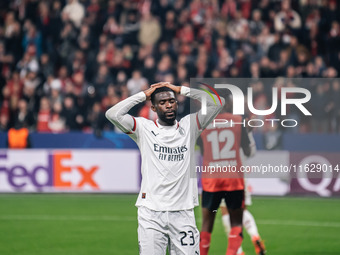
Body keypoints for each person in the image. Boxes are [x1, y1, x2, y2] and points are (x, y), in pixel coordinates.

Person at [105, 82, 224, 254]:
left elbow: (217, 103)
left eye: (172, 101)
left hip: (183, 213)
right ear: (153, 107)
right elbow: (112, 114)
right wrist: (143, 95)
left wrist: (181, 89)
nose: (168, 105)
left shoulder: (190, 125)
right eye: (162, 102)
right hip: (151, 215)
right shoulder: (144, 129)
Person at [198, 93, 256, 255]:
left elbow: (202, 149)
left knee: (207, 224)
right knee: (236, 222)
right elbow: (247, 150)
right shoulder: (238, 121)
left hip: (211, 178)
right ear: (229, 104)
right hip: (233, 177)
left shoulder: (204, 123)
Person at [220, 178, 266, 255]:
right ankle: (254, 235)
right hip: (241, 176)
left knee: (226, 213)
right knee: (242, 210)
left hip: (225, 176)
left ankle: (238, 251)